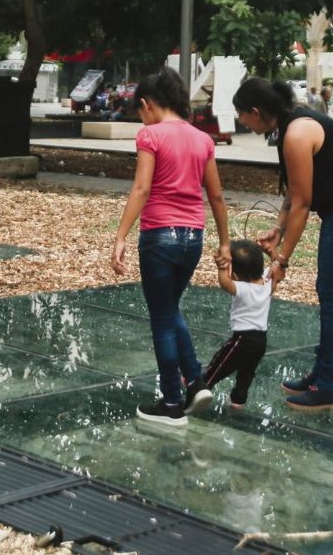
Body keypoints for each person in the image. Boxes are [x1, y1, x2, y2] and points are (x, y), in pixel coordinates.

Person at [234, 77, 333, 412]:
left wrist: (282, 261)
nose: (242, 122)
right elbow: (294, 191)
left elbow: (302, 203)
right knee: (328, 292)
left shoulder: (297, 133)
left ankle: (329, 387)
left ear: (256, 111)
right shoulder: (289, 125)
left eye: (241, 115)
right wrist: (278, 228)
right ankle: (322, 374)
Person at [111, 66, 230, 427]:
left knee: (162, 319)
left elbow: (142, 188)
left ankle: (172, 403)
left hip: (159, 236)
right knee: (169, 309)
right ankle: (195, 381)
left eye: (139, 112)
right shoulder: (203, 140)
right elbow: (217, 195)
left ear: (147, 104)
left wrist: (120, 236)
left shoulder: (151, 135)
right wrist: (225, 242)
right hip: (193, 237)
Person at [192, 239, 273, 410]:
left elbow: (224, 282)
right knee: (247, 372)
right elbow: (275, 269)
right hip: (261, 340)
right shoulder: (268, 281)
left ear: (235, 274)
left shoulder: (242, 289)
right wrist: (272, 253)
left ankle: (201, 387)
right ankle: (238, 400)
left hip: (242, 339)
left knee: (220, 364)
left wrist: (221, 267)